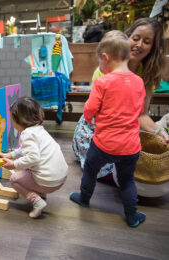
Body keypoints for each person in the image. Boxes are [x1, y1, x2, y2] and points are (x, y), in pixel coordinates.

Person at [72, 18, 169, 183]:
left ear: (152, 48)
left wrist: (159, 132)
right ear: (126, 39)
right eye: (136, 38)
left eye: (146, 42)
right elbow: (96, 112)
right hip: (99, 128)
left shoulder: (147, 74)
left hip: (124, 128)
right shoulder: (106, 67)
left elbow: (142, 114)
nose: (139, 45)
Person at [69, 31, 146, 227]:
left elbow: (90, 109)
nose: (100, 68)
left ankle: (84, 199)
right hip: (131, 146)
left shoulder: (103, 82)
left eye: (99, 63)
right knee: (127, 180)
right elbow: (139, 111)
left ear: (105, 57)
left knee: (90, 170)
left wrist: (88, 118)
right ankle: (132, 215)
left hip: (104, 143)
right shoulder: (138, 82)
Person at [0, 97, 68, 218]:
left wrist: (13, 164)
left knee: (14, 179)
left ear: (21, 120)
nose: (13, 124)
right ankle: (41, 194)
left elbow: (33, 158)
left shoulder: (26, 134)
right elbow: (26, 149)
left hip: (48, 182)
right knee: (28, 169)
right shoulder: (38, 130)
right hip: (60, 178)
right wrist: (11, 155)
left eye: (13, 121)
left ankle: (37, 201)